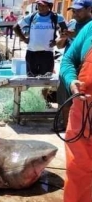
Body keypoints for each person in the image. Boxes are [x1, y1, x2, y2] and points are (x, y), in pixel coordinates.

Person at [41, 18, 92, 202]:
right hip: (83, 106)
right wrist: (71, 82)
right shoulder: (90, 28)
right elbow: (69, 60)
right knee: (78, 165)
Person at [55, 0, 92, 132]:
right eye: (73, 10)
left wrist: (76, 36)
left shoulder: (88, 27)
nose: (75, 13)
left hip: (85, 71)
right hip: (69, 69)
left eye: (79, 10)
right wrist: (64, 37)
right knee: (65, 101)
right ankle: (66, 128)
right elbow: (59, 45)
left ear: (89, 9)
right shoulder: (71, 24)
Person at [13, 0, 66, 77]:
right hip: (31, 53)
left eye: (43, 5)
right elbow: (15, 27)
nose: (40, 8)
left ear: (49, 6)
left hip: (47, 54)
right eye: (39, 5)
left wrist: (56, 41)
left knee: (46, 80)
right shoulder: (31, 17)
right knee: (31, 79)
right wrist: (24, 39)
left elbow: (65, 31)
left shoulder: (56, 17)